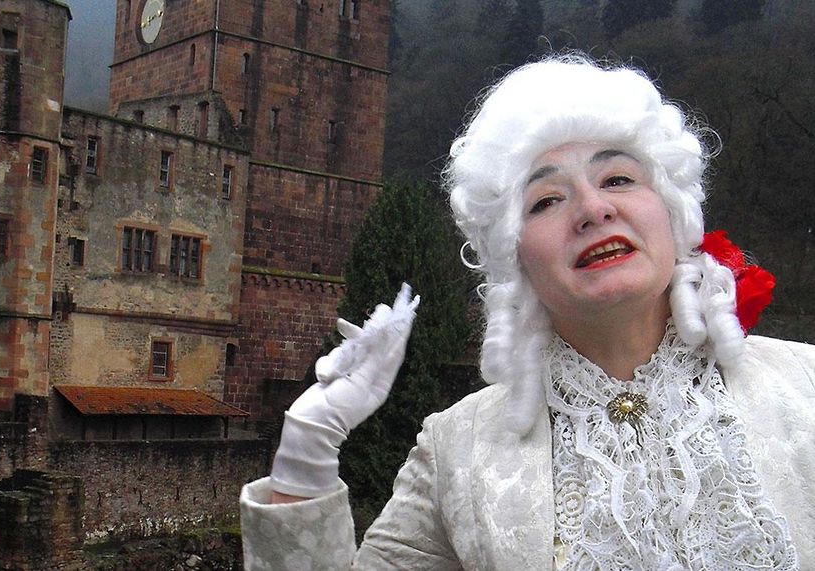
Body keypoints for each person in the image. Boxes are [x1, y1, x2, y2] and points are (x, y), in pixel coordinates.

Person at [239, 55, 815, 570]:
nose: (592, 209)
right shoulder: (456, 452)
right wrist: (306, 448)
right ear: (513, 258)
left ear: (674, 212)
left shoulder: (805, 386)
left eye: (618, 178)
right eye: (546, 201)